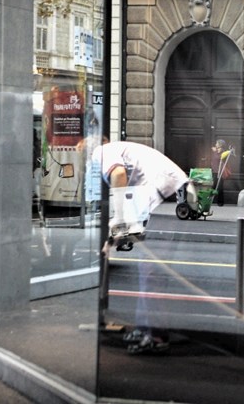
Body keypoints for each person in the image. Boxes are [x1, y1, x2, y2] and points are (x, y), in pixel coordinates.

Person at [83, 139, 191, 354]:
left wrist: (120, 219)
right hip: (169, 196)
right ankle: (145, 328)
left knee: (152, 272)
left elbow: (118, 175)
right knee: (147, 269)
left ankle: (156, 337)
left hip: (166, 198)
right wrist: (115, 236)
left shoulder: (100, 152)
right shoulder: (120, 150)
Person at [210, 139, 232, 206]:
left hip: (219, 172)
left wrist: (216, 152)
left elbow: (220, 158)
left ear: (220, 145)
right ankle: (210, 200)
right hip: (214, 171)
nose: (215, 145)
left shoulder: (222, 152)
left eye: (217, 143)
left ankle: (220, 202)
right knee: (213, 186)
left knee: (219, 187)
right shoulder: (216, 151)